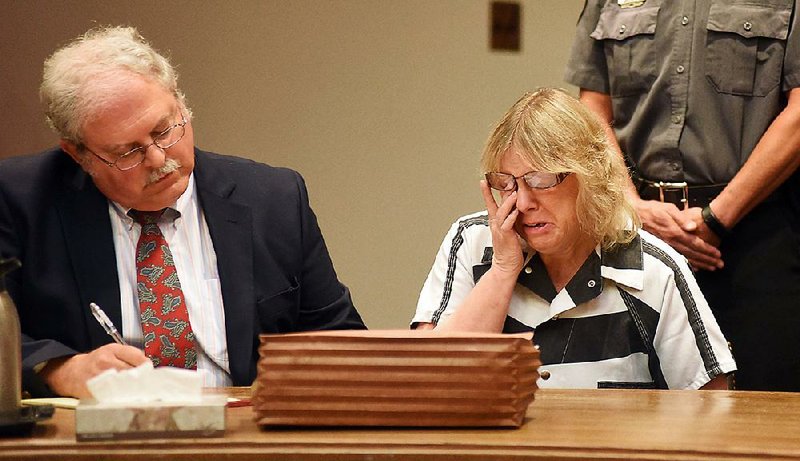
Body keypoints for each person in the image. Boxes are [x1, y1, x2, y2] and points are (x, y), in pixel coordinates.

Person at [0, 26, 365, 398]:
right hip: (98, 445)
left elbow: (341, 339)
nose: (158, 158)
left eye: (164, 130)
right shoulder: (21, 199)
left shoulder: (273, 198)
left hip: (244, 434)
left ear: (181, 104)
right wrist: (60, 368)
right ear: (78, 154)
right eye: (128, 152)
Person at [412, 88, 735, 390]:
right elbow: (434, 382)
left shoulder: (652, 268)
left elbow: (709, 402)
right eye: (507, 183)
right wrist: (501, 269)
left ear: (590, 176)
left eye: (540, 180)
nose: (523, 203)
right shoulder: (472, 241)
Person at [564, 0, 800, 391]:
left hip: (757, 234)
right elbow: (592, 104)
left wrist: (714, 218)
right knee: (634, 407)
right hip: (634, 231)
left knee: (761, 409)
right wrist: (631, 207)